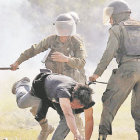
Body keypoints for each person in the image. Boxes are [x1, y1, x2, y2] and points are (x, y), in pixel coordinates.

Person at [10, 12, 86, 140]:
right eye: (60, 26)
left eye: (65, 27)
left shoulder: (76, 43)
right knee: (34, 109)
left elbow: (81, 62)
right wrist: (18, 61)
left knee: (75, 118)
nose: (62, 30)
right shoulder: (51, 40)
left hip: (67, 89)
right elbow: (34, 49)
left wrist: (66, 59)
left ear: (71, 27)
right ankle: (46, 129)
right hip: (49, 85)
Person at [89, 1, 140, 140]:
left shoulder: (117, 29)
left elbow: (109, 53)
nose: (110, 20)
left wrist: (96, 73)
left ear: (117, 15)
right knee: (139, 109)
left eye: (111, 16)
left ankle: (102, 136)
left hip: (127, 70)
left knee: (109, 102)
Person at [12, 72, 94, 140]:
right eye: (75, 105)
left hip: (55, 96)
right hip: (42, 89)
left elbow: (89, 119)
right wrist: (76, 133)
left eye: (79, 107)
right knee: (21, 103)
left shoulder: (87, 100)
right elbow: (69, 115)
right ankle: (22, 84)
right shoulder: (64, 93)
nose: (75, 108)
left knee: (66, 121)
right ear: (72, 96)